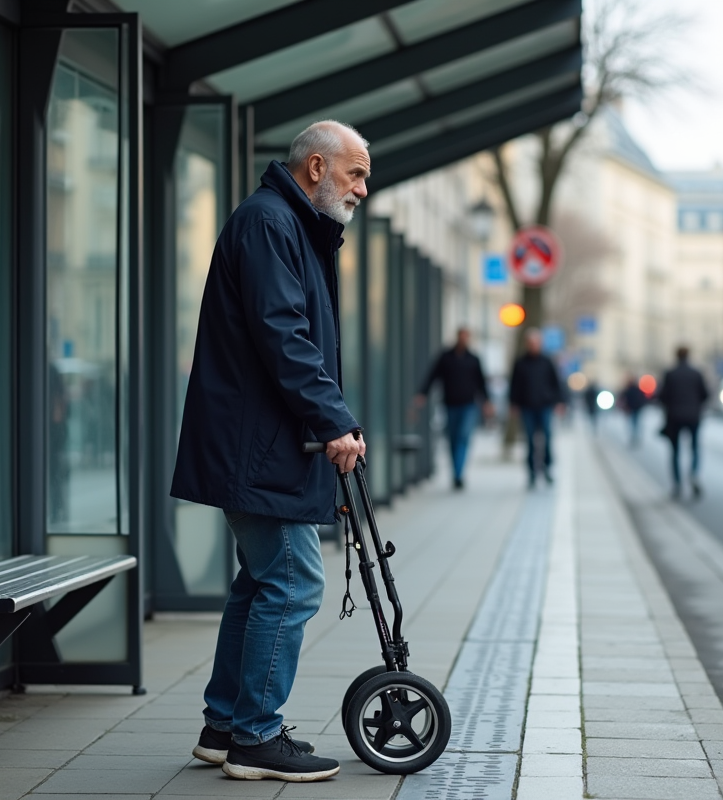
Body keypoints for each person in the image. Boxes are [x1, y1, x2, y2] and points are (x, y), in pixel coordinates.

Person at [171, 120, 370, 783]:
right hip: (257, 446)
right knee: (294, 581)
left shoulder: (285, 224)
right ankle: (256, 736)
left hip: (257, 442)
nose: (362, 189)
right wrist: (333, 419)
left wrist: (329, 418)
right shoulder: (269, 224)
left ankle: (225, 725)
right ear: (316, 166)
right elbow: (282, 335)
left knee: (259, 583)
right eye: (355, 174)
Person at [415, 327, 491, 489]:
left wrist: (487, 402)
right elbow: (432, 376)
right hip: (450, 404)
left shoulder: (473, 359)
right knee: (452, 438)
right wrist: (422, 394)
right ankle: (456, 471)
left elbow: (481, 383)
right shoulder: (446, 357)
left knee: (463, 437)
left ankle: (458, 474)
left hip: (469, 405)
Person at [508, 328, 564, 488]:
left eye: (536, 342)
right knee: (530, 441)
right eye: (530, 343)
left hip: (545, 406)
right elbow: (514, 385)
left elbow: (556, 383)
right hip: (526, 406)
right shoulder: (520, 363)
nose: (533, 345)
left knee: (547, 437)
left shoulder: (547, 362)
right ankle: (531, 472)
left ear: (540, 344)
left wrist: (559, 401)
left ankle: (547, 468)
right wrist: (513, 403)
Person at [658, 346, 710, 499]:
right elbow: (705, 394)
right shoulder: (696, 373)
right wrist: (696, 406)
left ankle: (677, 484)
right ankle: (693, 474)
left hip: (674, 418)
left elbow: (662, 397)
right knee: (694, 449)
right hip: (693, 417)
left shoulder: (670, 374)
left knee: (675, 452)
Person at [618, 374, 648, 446]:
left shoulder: (631, 389)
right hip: (634, 408)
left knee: (634, 422)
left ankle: (635, 436)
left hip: (634, 408)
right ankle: (635, 436)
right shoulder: (635, 389)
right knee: (635, 423)